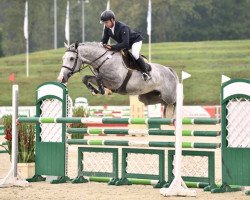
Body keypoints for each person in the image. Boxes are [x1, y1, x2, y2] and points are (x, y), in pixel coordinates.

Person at [100, 10, 152, 81]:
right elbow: (104, 40)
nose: (105, 24)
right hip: (124, 43)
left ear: (112, 20)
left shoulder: (122, 27)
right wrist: (100, 45)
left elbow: (125, 44)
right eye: (104, 23)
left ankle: (145, 72)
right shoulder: (107, 28)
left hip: (135, 41)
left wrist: (112, 47)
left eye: (106, 22)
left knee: (135, 54)